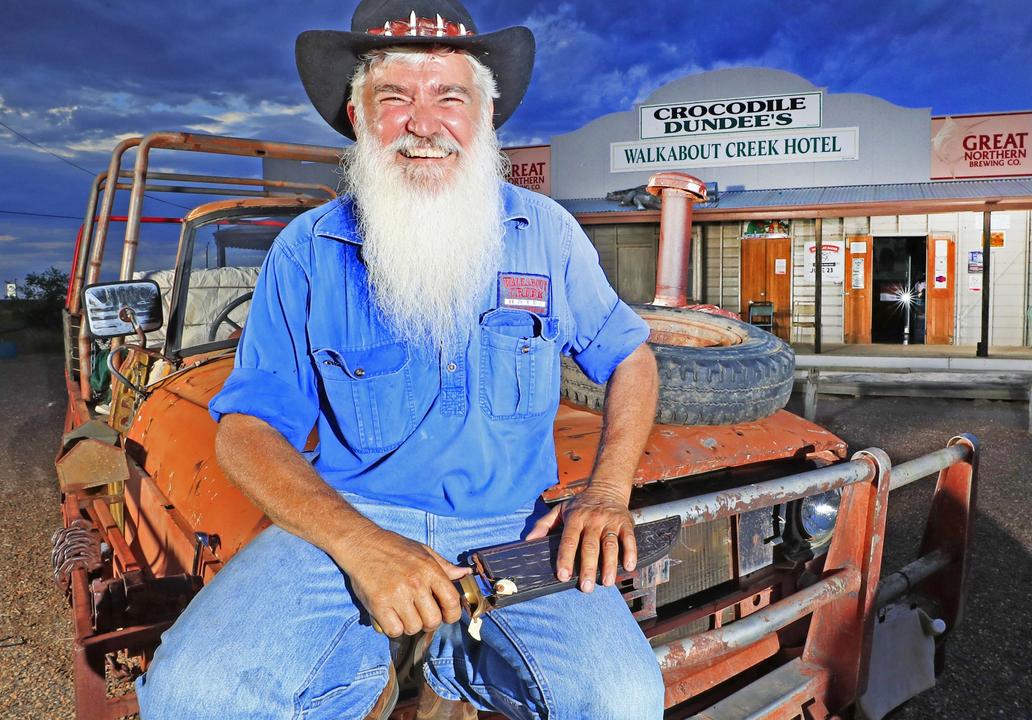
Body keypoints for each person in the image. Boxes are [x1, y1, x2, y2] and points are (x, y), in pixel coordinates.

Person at [134, 1, 664, 718]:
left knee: (622, 699)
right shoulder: (309, 251)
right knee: (193, 693)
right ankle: (364, 662)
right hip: (351, 516)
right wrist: (362, 547)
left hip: (509, 524)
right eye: (395, 97)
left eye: (450, 95)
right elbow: (248, 428)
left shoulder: (547, 234)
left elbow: (630, 358)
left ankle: (458, 653)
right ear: (358, 116)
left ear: (483, 115)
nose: (423, 122)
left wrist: (607, 493)